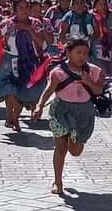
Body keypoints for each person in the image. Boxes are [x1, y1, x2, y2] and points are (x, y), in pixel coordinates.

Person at [32, 39, 104, 196]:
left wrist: (88, 81)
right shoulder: (58, 72)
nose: (82, 56)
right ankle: (58, 182)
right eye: (78, 52)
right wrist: (39, 106)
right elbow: (49, 89)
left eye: (85, 53)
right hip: (62, 110)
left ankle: (75, 140)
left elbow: (98, 91)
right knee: (60, 147)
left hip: (84, 112)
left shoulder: (94, 71)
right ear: (68, 52)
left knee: (76, 151)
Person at [0, 0, 45, 131]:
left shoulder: (36, 24)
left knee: (22, 93)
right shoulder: (7, 24)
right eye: (20, 8)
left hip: (29, 62)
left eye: (26, 8)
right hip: (9, 62)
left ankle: (15, 116)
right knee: (10, 90)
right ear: (15, 9)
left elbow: (41, 42)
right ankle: (10, 115)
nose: (24, 11)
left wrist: (29, 30)